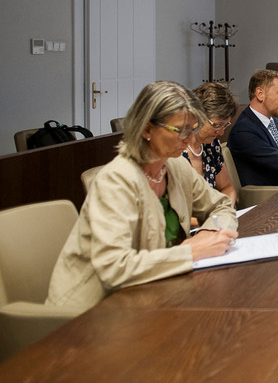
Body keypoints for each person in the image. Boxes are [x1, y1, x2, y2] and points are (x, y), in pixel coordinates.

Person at [46, 81, 238, 309]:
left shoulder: (176, 167)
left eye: (192, 129)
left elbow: (222, 206)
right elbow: (114, 268)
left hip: (154, 294)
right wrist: (191, 252)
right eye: (180, 130)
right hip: (92, 311)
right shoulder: (116, 181)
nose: (189, 139)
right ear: (147, 129)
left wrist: (208, 233)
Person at [182, 82, 239, 207]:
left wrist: (225, 211)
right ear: (196, 116)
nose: (221, 132)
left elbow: (228, 188)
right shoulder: (174, 150)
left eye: (225, 125)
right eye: (217, 125)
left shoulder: (211, 146)